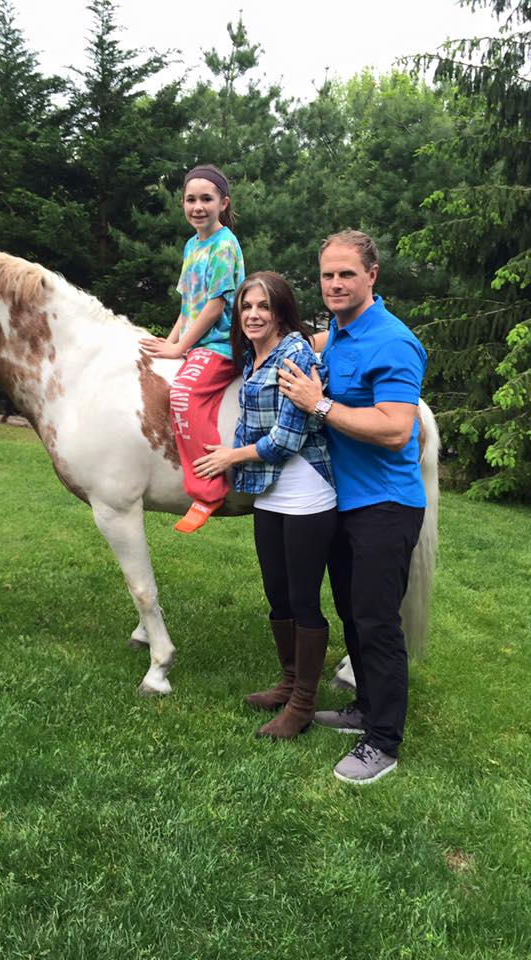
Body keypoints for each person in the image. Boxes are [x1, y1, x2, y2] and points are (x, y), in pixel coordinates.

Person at [279, 229, 427, 784]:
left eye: (347, 274)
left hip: (386, 506)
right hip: (344, 504)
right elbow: (304, 341)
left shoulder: (393, 341)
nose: (335, 284)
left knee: (376, 621)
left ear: (372, 276)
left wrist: (318, 404)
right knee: (353, 614)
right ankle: (364, 706)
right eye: (327, 275)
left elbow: (394, 429)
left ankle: (383, 742)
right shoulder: (338, 335)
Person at [193, 272, 337, 738]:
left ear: (280, 311)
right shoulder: (254, 357)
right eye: (246, 307)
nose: (253, 315)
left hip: (307, 491)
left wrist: (230, 458)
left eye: (263, 307)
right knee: (277, 593)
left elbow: (287, 438)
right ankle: (289, 683)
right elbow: (250, 425)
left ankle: (303, 705)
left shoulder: (294, 353)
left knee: (302, 599)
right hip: (271, 492)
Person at [141, 164, 244, 533]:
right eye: (190, 199)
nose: (197, 206)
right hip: (196, 341)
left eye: (206, 199)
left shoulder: (224, 243)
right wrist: (168, 345)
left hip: (222, 344)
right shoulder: (192, 245)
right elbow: (188, 308)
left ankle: (209, 490)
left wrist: (181, 347)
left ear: (222, 203)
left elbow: (215, 305)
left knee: (183, 393)